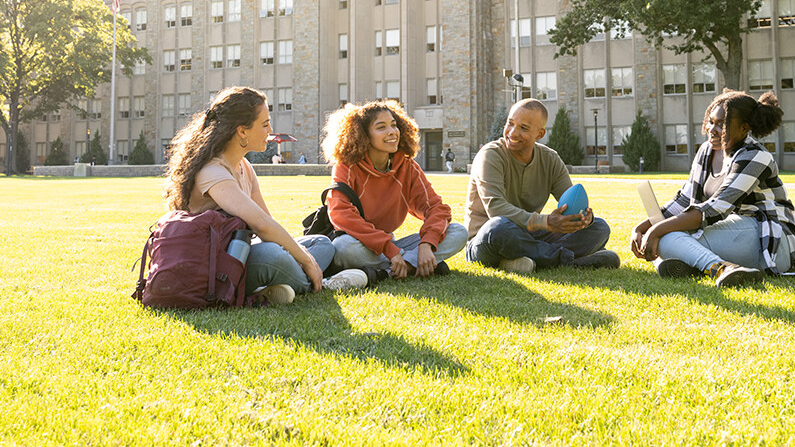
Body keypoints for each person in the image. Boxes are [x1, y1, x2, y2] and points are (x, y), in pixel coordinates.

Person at [163, 86, 367, 305]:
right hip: (213, 266)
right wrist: (304, 260)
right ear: (242, 131)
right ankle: (323, 283)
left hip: (241, 253)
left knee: (321, 244)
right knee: (274, 256)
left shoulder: (244, 167)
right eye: (264, 123)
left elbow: (267, 221)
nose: (270, 129)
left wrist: (299, 254)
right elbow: (260, 225)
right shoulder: (212, 172)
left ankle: (271, 288)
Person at [631, 89, 795, 286]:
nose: (712, 129)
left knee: (667, 240)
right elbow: (685, 199)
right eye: (711, 121)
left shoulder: (755, 157)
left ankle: (723, 269)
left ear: (744, 129)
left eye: (721, 125)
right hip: (733, 231)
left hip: (770, 239)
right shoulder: (707, 151)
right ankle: (709, 266)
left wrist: (656, 231)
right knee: (672, 237)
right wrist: (642, 227)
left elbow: (715, 209)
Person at [465, 99, 619, 273]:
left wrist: (582, 218)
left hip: (531, 235)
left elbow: (569, 202)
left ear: (540, 134)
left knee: (599, 227)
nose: (513, 133)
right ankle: (571, 261)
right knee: (499, 227)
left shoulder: (550, 159)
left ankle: (528, 260)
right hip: (488, 239)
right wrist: (546, 222)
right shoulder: (490, 155)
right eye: (510, 124)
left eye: (523, 128)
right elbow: (496, 209)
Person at [321, 99, 468, 279]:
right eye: (381, 127)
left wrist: (427, 244)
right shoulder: (347, 166)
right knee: (343, 248)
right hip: (362, 243)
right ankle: (415, 265)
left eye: (394, 125)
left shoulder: (407, 166)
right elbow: (340, 214)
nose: (392, 132)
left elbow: (436, 209)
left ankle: (388, 271)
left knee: (458, 232)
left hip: (389, 246)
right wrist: (389, 249)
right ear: (364, 135)